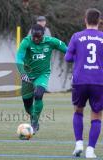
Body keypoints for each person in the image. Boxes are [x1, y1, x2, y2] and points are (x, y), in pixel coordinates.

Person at [65, 8, 103, 158]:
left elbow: (68, 58)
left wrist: (80, 59)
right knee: (96, 115)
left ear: (85, 20)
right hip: (99, 81)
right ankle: (90, 150)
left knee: (78, 110)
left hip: (80, 80)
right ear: (99, 21)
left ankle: (79, 143)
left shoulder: (76, 36)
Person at [16, 24, 67, 134]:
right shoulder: (26, 42)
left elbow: (67, 50)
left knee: (38, 94)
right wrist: (23, 73)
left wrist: (78, 58)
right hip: (27, 76)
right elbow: (19, 58)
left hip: (42, 74)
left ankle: (34, 122)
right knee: (27, 106)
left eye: (38, 37)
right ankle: (33, 117)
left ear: (43, 35)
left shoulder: (51, 41)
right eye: (34, 36)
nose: (35, 39)